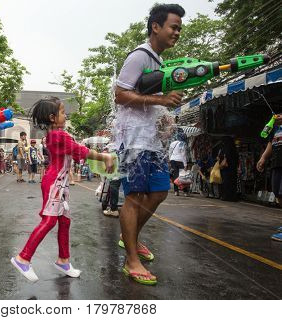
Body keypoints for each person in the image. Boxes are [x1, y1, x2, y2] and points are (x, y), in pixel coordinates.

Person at [113, 3, 185, 285]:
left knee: (159, 192)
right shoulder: (140, 56)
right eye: (173, 27)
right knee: (135, 197)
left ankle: (129, 238)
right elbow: (120, 95)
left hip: (151, 141)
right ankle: (132, 260)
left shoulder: (159, 61)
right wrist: (160, 100)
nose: (177, 32)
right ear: (156, 27)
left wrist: (165, 115)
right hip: (133, 141)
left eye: (179, 28)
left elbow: (153, 104)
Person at [10, 97, 114, 282]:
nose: (65, 116)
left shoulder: (55, 134)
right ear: (52, 117)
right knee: (50, 221)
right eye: (63, 112)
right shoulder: (59, 135)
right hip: (54, 184)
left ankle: (63, 260)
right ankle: (23, 258)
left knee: (64, 222)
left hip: (60, 184)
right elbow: (80, 151)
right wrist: (104, 156)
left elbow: (76, 151)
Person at [257, 114, 282, 241]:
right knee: (278, 193)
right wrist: (263, 158)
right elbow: (270, 143)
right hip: (277, 164)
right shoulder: (276, 127)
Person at [217, 136, 238, 201]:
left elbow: (224, 157)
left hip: (226, 169)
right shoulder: (234, 149)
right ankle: (232, 196)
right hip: (233, 169)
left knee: (226, 182)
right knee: (232, 182)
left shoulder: (225, 148)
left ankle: (226, 196)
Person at [169, 131, 189, 196]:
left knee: (175, 175)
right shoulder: (183, 144)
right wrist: (185, 165)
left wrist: (170, 160)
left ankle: (176, 191)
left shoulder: (172, 143)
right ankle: (185, 192)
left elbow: (170, 152)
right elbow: (183, 155)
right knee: (183, 176)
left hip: (173, 160)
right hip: (180, 160)